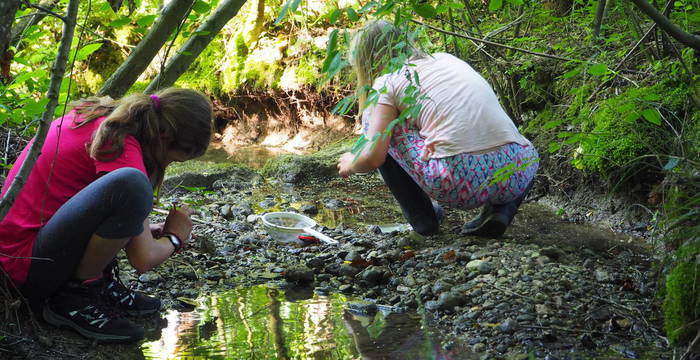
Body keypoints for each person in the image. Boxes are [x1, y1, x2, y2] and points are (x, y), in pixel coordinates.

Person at [0, 87, 213, 342]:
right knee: (133, 184)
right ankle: (73, 296)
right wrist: (175, 236)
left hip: (23, 249)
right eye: (173, 159)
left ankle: (95, 285)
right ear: (164, 137)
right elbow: (143, 259)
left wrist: (138, 229)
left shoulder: (108, 118)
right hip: (23, 269)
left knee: (131, 186)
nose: (166, 166)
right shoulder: (117, 142)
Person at [337, 20, 539, 237]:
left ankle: (424, 220)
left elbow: (373, 158)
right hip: (518, 171)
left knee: (375, 119)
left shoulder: (387, 82)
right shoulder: (446, 59)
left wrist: (352, 161)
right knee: (518, 145)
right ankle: (501, 212)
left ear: (369, 60)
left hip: (460, 183)